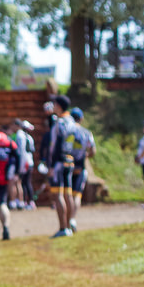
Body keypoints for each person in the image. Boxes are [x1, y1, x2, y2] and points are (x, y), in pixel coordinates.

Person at [46, 95, 76, 237]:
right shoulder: (71, 120)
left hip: (59, 162)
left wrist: (52, 165)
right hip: (69, 159)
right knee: (68, 194)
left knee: (58, 195)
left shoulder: (61, 122)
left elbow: (58, 142)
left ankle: (63, 228)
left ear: (58, 106)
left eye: (54, 104)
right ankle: (70, 225)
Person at [67, 107, 95, 224]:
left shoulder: (67, 131)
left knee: (66, 194)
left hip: (67, 166)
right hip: (80, 166)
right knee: (77, 195)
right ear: (81, 119)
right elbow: (93, 151)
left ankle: (66, 220)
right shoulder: (87, 133)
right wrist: (85, 155)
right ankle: (72, 219)